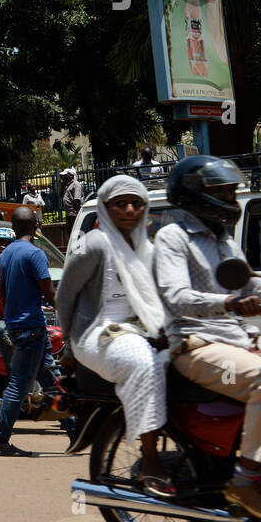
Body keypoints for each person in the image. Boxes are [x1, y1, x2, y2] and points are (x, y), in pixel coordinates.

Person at [153, 155, 261, 520]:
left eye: (231, 189)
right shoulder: (172, 238)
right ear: (195, 194)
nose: (230, 196)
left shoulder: (224, 240)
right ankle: (245, 479)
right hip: (196, 346)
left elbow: (252, 284)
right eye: (222, 190)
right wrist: (230, 302)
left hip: (238, 340)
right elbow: (176, 297)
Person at [56, 175, 173, 495]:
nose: (130, 210)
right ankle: (150, 460)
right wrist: (67, 345)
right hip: (96, 331)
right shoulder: (94, 243)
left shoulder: (146, 247)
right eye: (120, 204)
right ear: (106, 209)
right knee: (142, 360)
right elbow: (64, 296)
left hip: (138, 328)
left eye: (137, 203)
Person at [0, 206, 57, 456]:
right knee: (18, 386)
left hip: (18, 325)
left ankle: (75, 431)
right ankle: (0, 441)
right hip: (31, 328)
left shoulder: (6, 254)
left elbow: (5, 294)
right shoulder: (35, 254)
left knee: (50, 377)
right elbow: (49, 292)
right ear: (36, 225)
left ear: (13, 227)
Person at [60, 168, 85, 232]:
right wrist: (62, 185)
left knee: (74, 232)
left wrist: (75, 215)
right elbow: (60, 196)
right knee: (69, 232)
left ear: (71, 176)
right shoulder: (67, 185)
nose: (63, 177)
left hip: (73, 214)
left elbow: (77, 200)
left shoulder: (76, 184)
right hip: (69, 214)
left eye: (65, 175)